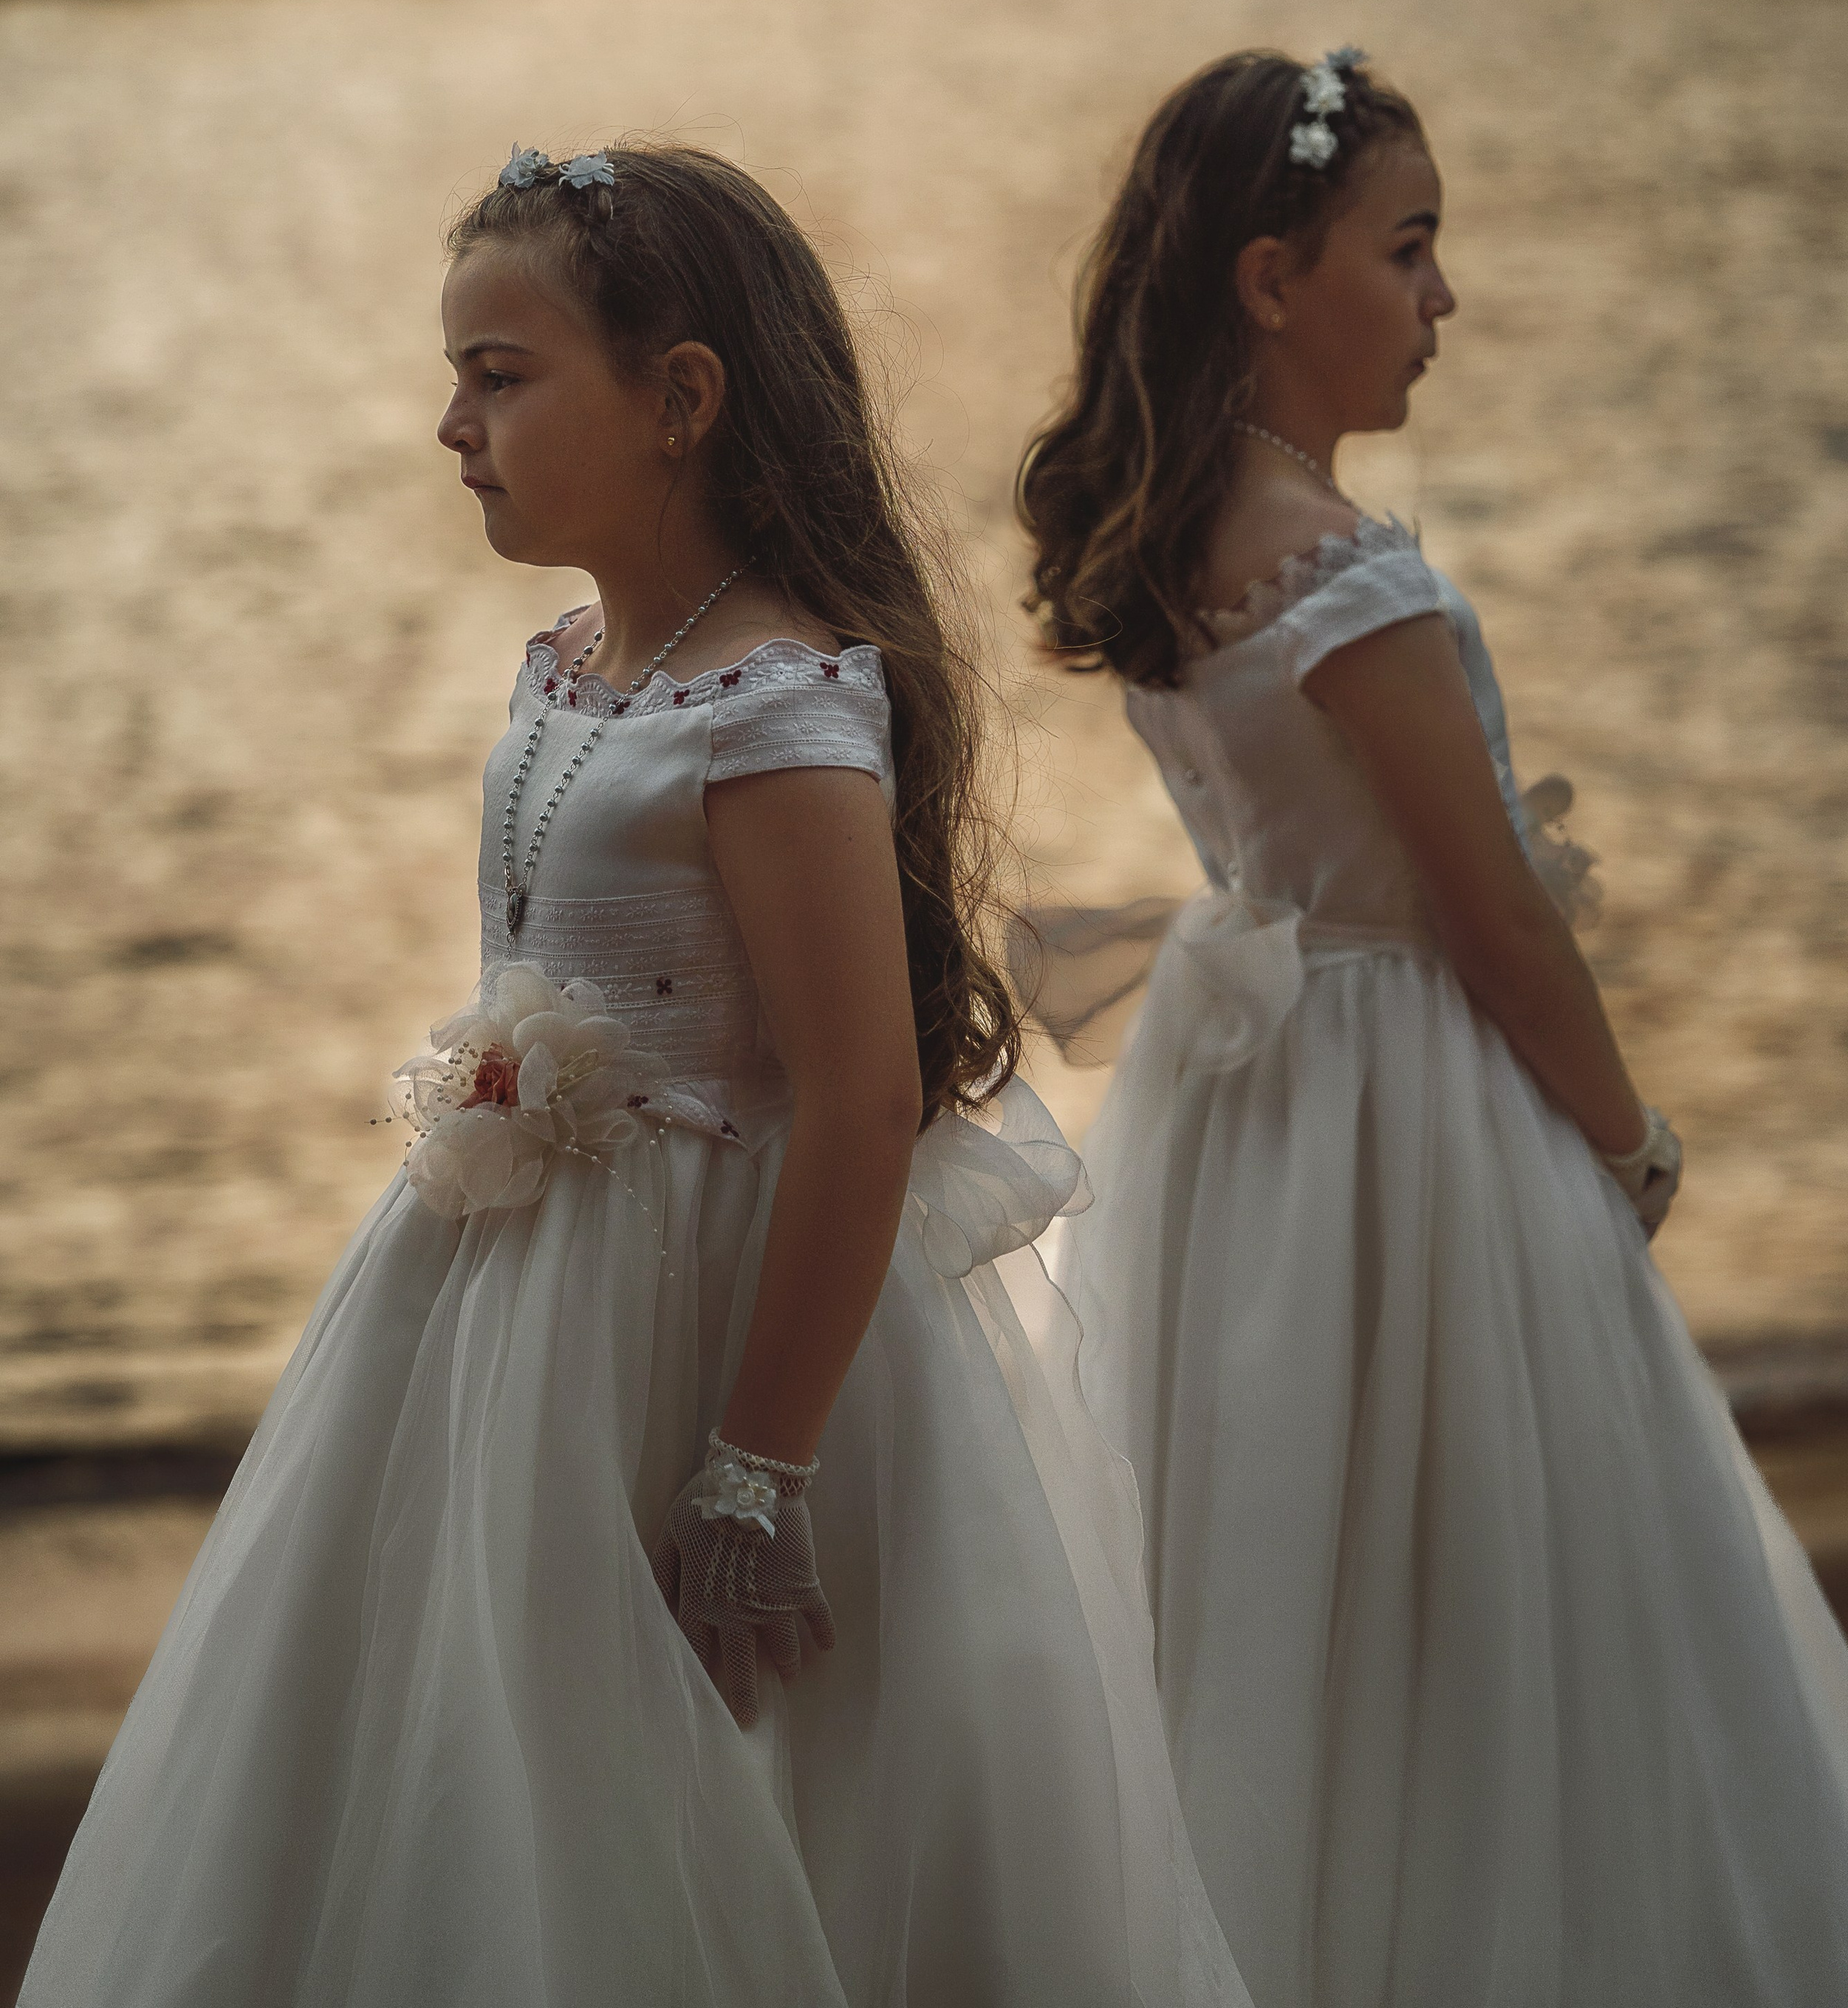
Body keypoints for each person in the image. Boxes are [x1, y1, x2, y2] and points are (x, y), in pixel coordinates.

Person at [25, 143, 1247, 2008]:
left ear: (679, 398)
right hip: (502, 1321)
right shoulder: (573, 665)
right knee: (467, 1761)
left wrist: (753, 1470)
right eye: (457, 375)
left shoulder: (776, 707)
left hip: (707, 1327)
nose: (453, 422)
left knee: (721, 1798)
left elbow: (855, 1100)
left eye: (500, 375)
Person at [1016, 48, 1848, 2007]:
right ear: (1270, 278)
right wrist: (1623, 1137)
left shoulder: (1175, 557)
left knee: (1278, 1569)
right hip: (1412, 1107)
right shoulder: (1347, 575)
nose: (1442, 300)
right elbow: (1491, 917)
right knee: (1507, 1588)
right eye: (1407, 251)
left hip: (1250, 1123)